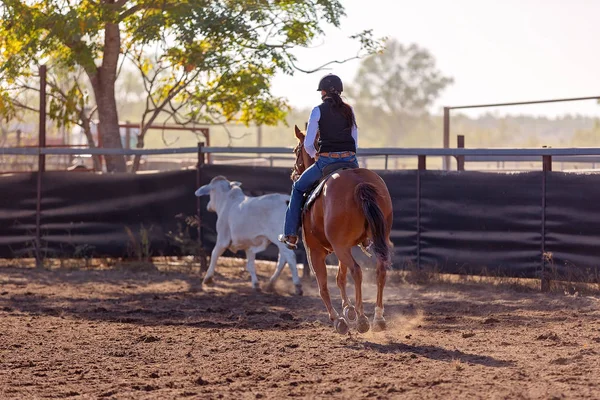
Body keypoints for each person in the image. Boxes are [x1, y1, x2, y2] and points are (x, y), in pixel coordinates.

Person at [278, 73, 359, 250]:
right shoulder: (349, 110)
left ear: (323, 92)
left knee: (298, 188)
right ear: (340, 91)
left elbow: (307, 144)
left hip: (326, 161)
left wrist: (316, 155)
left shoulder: (318, 110)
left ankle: (290, 235)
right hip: (351, 160)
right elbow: (355, 140)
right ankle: (368, 237)